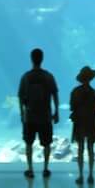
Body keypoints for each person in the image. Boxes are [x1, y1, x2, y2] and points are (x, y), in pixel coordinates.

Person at [17, 47, 59, 178]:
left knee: (28, 143)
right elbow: (55, 95)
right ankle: (46, 169)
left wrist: (21, 113)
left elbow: (20, 96)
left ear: (31, 59)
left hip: (29, 116)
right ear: (42, 59)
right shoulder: (48, 76)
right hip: (45, 116)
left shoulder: (26, 77)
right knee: (47, 143)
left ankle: (30, 170)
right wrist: (56, 112)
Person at [69, 65, 95, 185]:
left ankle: (81, 176)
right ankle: (91, 175)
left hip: (79, 123)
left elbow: (72, 107)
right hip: (91, 123)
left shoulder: (75, 92)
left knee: (80, 149)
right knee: (91, 149)